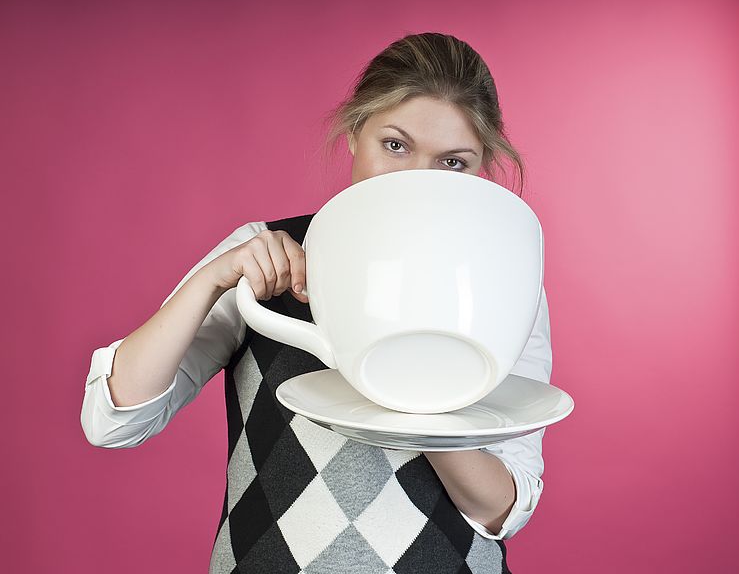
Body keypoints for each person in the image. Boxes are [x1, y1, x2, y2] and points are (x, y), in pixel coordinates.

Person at [81, 32, 554, 574]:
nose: (416, 183)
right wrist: (212, 279)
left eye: (452, 162)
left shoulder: (504, 281)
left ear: (480, 169)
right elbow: (112, 421)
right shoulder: (262, 253)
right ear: (355, 134)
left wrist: (411, 398)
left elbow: (502, 509)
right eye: (395, 146)